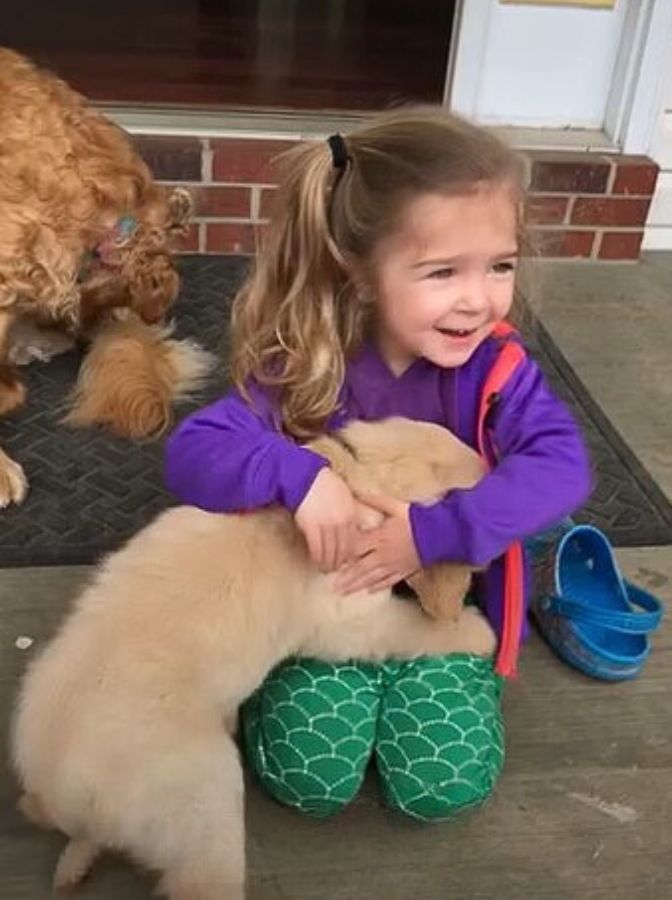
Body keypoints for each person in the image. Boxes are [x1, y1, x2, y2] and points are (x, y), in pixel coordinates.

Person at [164, 107, 591, 821]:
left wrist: (430, 535)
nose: (479, 298)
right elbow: (193, 454)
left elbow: (563, 468)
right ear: (358, 272)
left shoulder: (498, 371)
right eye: (442, 271)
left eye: (500, 266)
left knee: (440, 784)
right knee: (311, 777)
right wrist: (302, 478)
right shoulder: (307, 366)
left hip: (443, 616)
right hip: (319, 610)